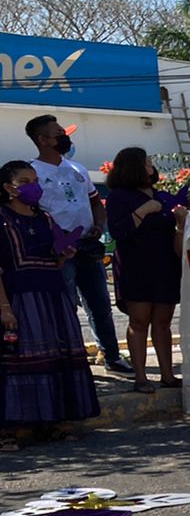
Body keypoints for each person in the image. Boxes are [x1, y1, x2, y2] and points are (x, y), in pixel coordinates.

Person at [0, 161, 100, 449]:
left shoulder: (44, 218)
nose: (34, 186)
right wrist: (4, 307)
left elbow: (53, 257)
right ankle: (12, 429)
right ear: (8, 187)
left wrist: (64, 254)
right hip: (19, 298)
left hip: (52, 294)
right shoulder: (2, 218)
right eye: (24, 181)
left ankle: (53, 422)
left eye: (35, 180)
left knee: (56, 357)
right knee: (18, 360)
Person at [26, 114, 131, 373]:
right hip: (58, 253)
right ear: (42, 139)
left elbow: (96, 202)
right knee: (65, 306)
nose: (65, 136)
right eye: (58, 133)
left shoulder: (78, 169)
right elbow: (29, 211)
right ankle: (71, 359)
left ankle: (112, 357)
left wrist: (98, 224)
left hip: (87, 246)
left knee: (99, 305)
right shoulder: (32, 172)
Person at [103, 147, 184, 393]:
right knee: (139, 321)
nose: (152, 167)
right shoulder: (119, 196)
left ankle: (167, 375)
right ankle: (140, 377)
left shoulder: (162, 196)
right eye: (147, 163)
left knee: (163, 322)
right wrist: (143, 211)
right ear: (134, 168)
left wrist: (181, 220)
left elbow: (175, 231)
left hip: (165, 265)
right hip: (135, 265)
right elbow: (119, 231)